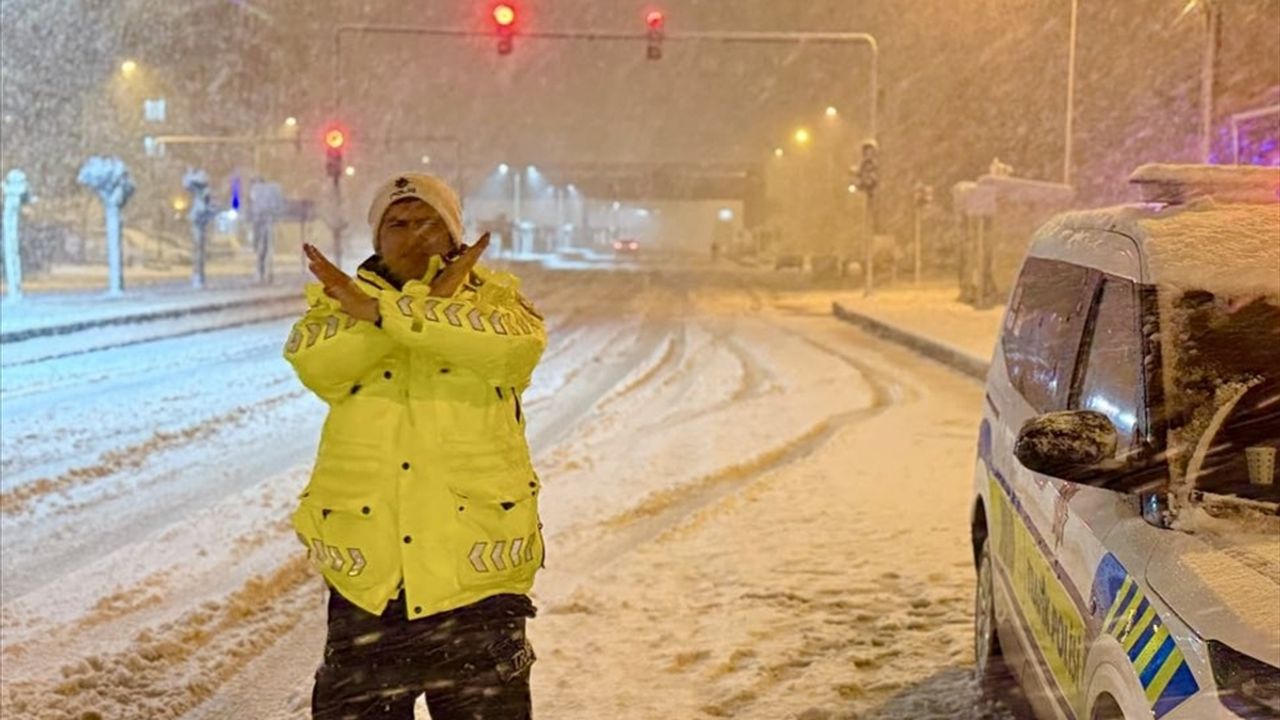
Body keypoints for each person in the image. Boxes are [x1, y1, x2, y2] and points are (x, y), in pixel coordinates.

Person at [284, 172, 547, 719]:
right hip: (371, 587)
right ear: (377, 238)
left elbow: (512, 353)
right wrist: (401, 308)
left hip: (475, 581)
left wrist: (388, 311)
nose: (414, 235)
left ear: (453, 233)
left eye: (429, 222)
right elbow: (318, 364)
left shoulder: (498, 302)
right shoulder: (335, 307)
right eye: (398, 223)